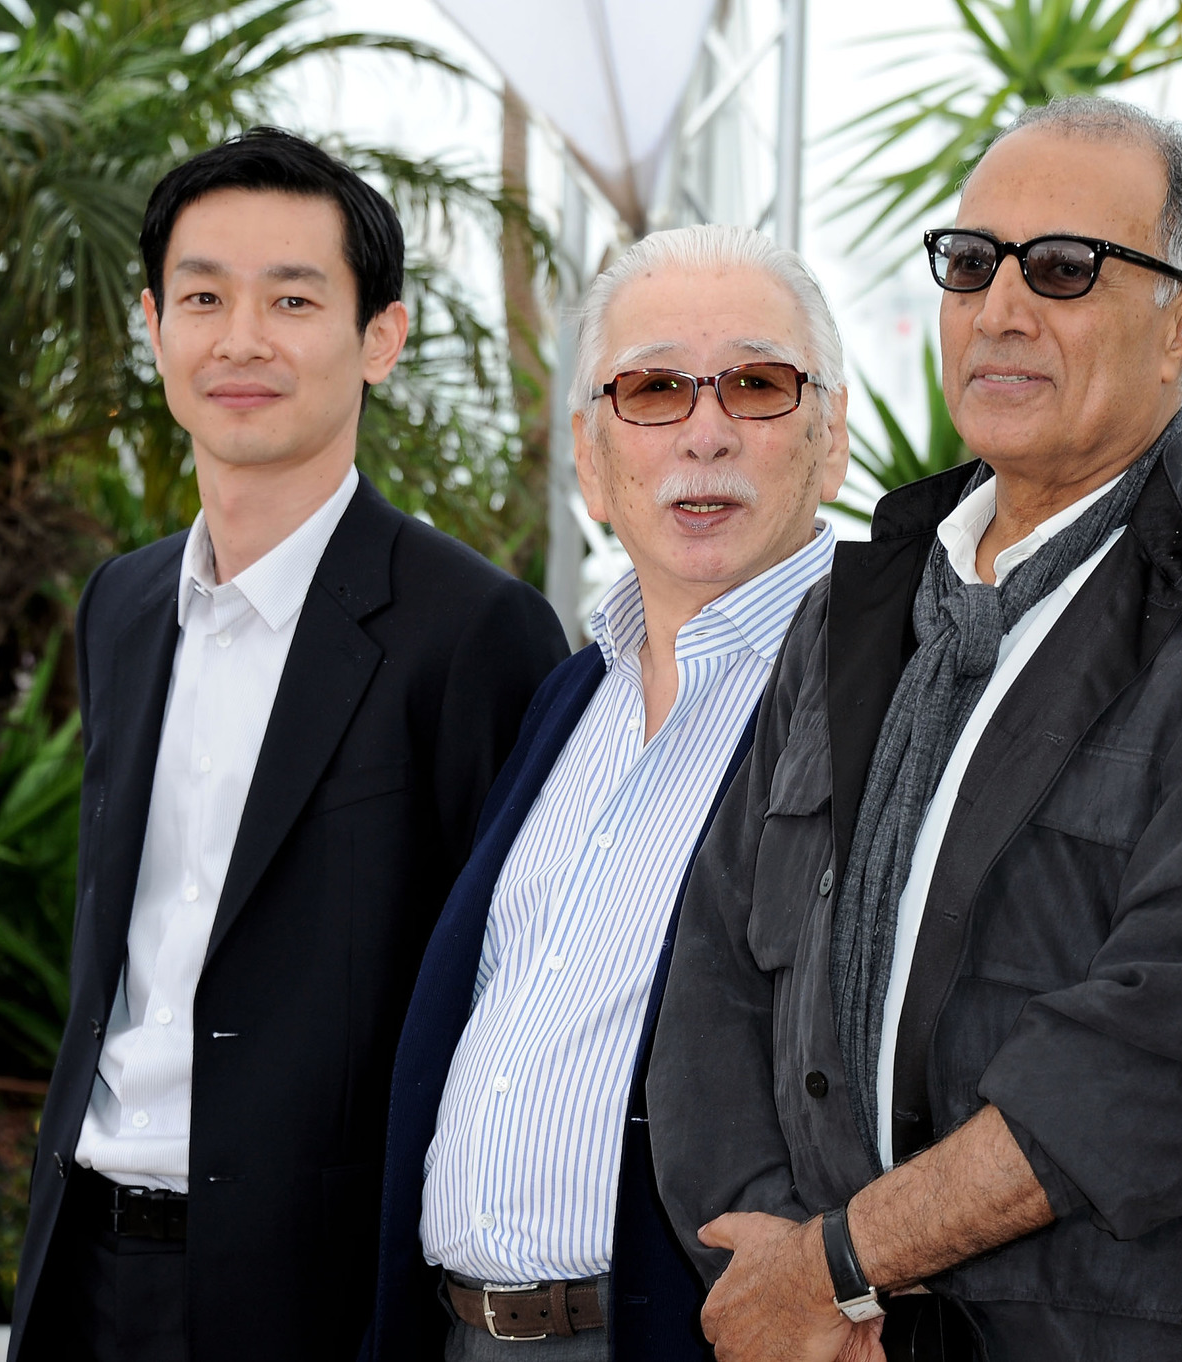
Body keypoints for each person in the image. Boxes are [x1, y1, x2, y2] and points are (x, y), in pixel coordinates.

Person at [648, 96, 1182, 1362]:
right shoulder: (850, 606)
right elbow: (716, 980)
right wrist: (779, 1282)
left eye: (1063, 269)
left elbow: (1160, 1047)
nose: (1000, 309)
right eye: (970, 263)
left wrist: (837, 1267)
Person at [9, 127, 571, 1362]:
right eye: (202, 297)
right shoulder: (122, 605)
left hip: (308, 1296)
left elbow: (507, 992)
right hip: (85, 1268)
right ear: (153, 323)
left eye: (294, 298)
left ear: (381, 338)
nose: (241, 340)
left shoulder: (477, 630)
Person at [363, 224, 851, 1362]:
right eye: (653, 389)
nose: (706, 430)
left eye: (758, 383)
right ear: (589, 456)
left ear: (829, 441)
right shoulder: (566, 698)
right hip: (460, 1331)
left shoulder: (888, 687)